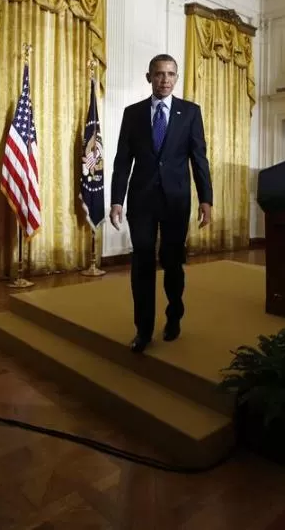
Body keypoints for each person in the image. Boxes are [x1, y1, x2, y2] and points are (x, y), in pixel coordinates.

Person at [109, 54, 213, 353]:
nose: (164, 79)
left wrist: (206, 198)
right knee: (141, 261)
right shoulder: (133, 114)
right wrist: (117, 200)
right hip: (141, 201)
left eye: (170, 74)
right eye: (158, 74)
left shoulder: (190, 112)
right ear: (149, 77)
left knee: (171, 262)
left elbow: (199, 158)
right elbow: (121, 161)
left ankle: (174, 315)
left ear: (176, 78)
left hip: (176, 201)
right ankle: (142, 330)